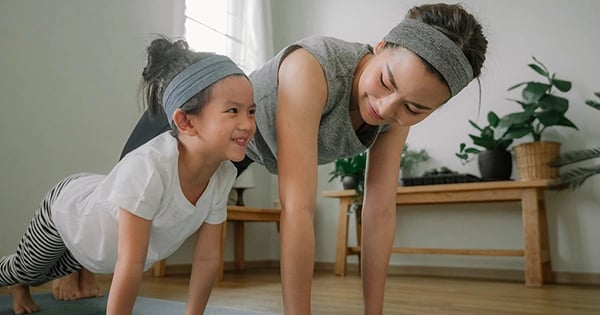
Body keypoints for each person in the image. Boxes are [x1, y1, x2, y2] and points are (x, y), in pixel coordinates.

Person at [60, 3, 488, 314]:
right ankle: (70, 262)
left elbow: (379, 211)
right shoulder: (314, 67)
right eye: (385, 81)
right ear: (380, 47)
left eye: (414, 108)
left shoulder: (397, 110)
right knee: (113, 210)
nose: (387, 107)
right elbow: (297, 209)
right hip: (202, 130)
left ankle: (81, 267)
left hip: (243, 152)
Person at [0, 37, 256, 315]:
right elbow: (131, 262)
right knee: (26, 269)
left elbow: (207, 258)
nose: (247, 124)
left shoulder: (223, 175)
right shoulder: (150, 168)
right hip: (66, 211)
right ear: (186, 122)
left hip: (96, 244)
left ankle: (23, 282)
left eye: (251, 111)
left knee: (49, 272)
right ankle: (18, 283)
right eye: (233, 110)